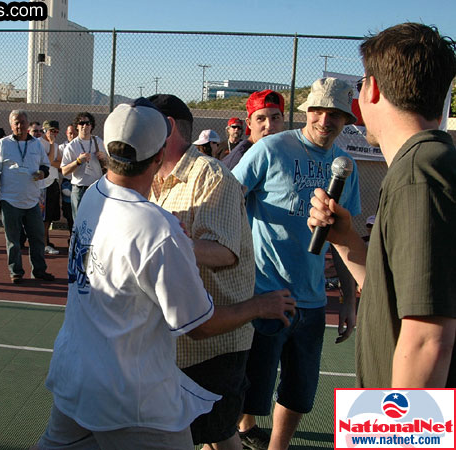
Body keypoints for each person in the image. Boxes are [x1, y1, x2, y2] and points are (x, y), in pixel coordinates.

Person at [35, 98, 295, 450]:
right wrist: (259, 306)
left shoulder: (93, 197)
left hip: (74, 373)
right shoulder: (157, 227)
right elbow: (200, 325)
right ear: (158, 156)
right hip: (129, 396)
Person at [308, 23, 456, 388]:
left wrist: (397, 435)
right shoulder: (427, 163)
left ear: (371, 89)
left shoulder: (420, 172)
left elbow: (426, 337)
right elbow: (393, 300)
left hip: (403, 424)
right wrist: (345, 241)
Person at [148, 94, 292, 450]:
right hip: (171, 338)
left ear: (166, 128)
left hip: (213, 343)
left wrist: (155, 248)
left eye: (144, 123)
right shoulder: (150, 177)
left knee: (219, 436)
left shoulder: (212, 177)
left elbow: (224, 253)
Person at [231, 78, 361, 450]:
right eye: (318, 110)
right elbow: (229, 200)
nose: (325, 120)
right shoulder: (272, 149)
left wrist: (349, 300)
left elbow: (344, 240)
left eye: (335, 113)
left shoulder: (345, 167)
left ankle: (278, 446)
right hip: (265, 294)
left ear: (346, 119)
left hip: (313, 300)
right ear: (306, 111)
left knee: (299, 390)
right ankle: (243, 431)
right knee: (250, 389)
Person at [0, 110, 55, 284]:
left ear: (27, 123)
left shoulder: (37, 144)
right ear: (11, 125)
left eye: (22, 122)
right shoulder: (3, 144)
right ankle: (16, 272)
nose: (19, 125)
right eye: (16, 122)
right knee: (13, 239)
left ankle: (39, 271)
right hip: (10, 200)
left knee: (38, 238)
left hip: (32, 200)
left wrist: (42, 173)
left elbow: (45, 166)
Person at [60, 112, 108, 220]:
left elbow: (109, 165)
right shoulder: (72, 146)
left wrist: (104, 157)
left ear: (92, 126)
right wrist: (78, 161)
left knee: (96, 220)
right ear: (77, 126)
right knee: (79, 221)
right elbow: (64, 171)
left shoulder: (98, 142)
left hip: (96, 187)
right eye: (81, 123)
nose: (85, 126)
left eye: (87, 123)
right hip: (79, 189)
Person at [222, 90, 285, 171]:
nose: (269, 126)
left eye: (275, 118)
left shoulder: (287, 152)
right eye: (260, 119)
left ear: (283, 119)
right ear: (249, 123)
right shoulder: (239, 161)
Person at [39, 120, 62, 255]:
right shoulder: (38, 144)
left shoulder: (56, 145)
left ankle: (46, 242)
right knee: (43, 217)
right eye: (52, 131)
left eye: (56, 132)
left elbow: (59, 164)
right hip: (43, 185)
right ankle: (43, 244)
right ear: (45, 130)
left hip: (53, 182)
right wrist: (52, 145)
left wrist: (53, 161)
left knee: (50, 217)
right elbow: (47, 162)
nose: (54, 134)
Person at [59, 124, 77, 238]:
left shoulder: (82, 146)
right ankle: (71, 235)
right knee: (69, 213)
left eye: (74, 133)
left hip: (79, 182)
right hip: (67, 182)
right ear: (66, 133)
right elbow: (58, 165)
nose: (72, 135)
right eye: (70, 133)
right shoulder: (61, 148)